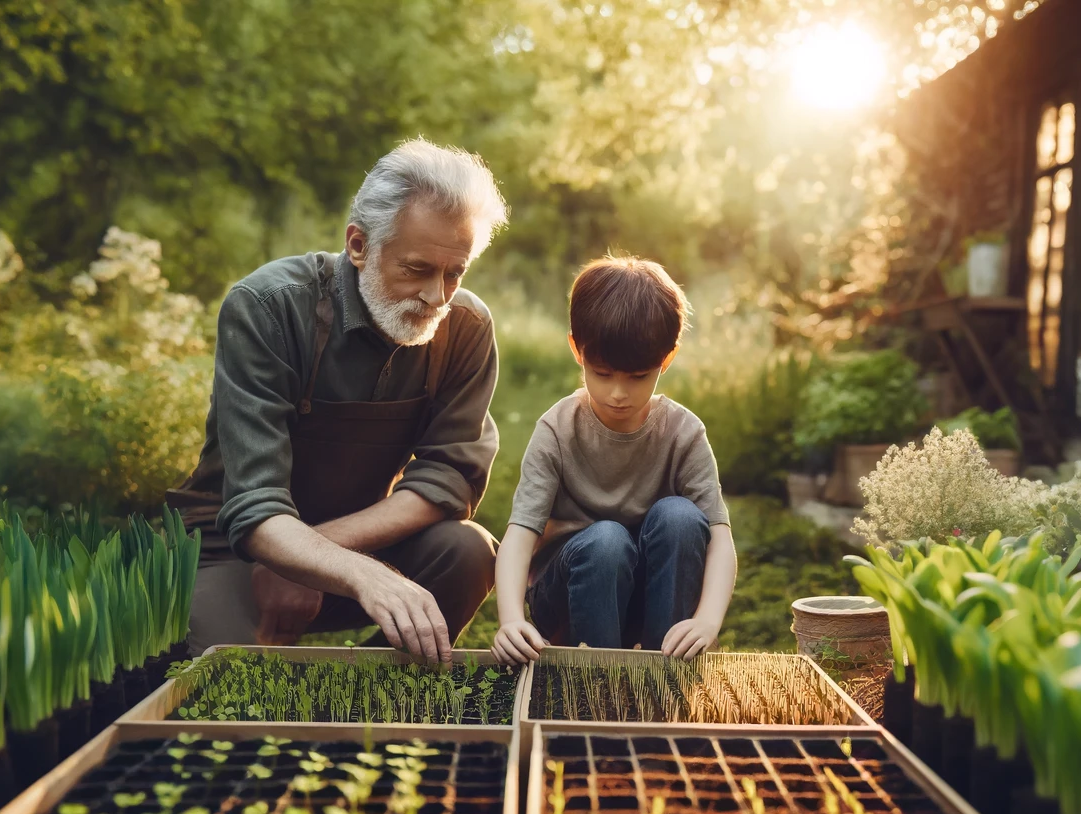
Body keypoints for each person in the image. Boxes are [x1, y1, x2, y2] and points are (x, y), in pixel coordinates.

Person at [168, 140, 508, 662]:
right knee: (237, 699)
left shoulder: (466, 327)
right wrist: (326, 568)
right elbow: (254, 504)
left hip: (362, 545)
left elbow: (449, 478)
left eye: (455, 272)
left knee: (467, 550)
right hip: (229, 553)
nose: (437, 296)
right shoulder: (268, 308)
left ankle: (385, 697)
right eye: (416, 269)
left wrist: (329, 557)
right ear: (358, 245)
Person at [491, 256, 736, 664]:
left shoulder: (683, 432)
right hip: (568, 600)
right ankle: (597, 681)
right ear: (576, 349)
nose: (619, 392)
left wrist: (708, 621)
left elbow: (720, 537)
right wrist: (511, 619)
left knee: (680, 516)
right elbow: (520, 533)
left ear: (667, 359)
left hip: (648, 598)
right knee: (606, 540)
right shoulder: (556, 430)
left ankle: (663, 672)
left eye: (638, 376)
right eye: (602, 373)